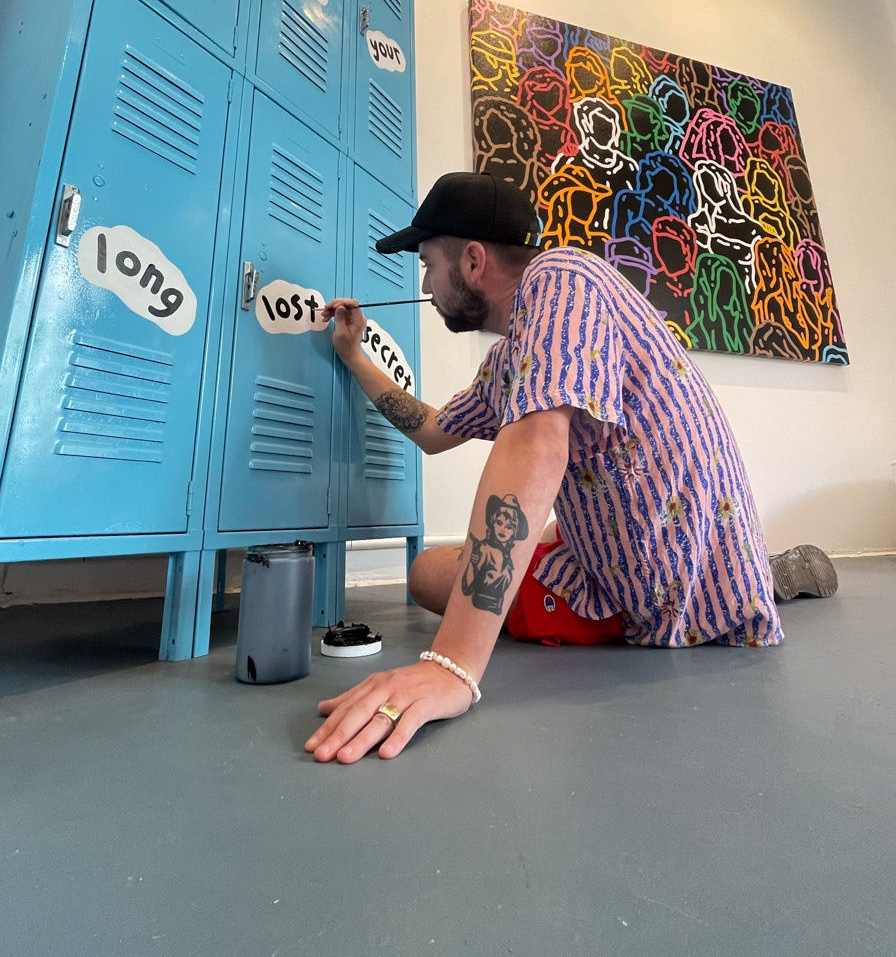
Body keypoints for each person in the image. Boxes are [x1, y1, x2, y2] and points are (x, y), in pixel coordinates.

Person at [304, 170, 798, 766]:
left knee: (450, 577)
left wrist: (452, 664)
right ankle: (752, 566)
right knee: (428, 571)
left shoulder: (561, 276)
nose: (428, 286)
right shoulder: (516, 350)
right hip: (617, 545)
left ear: (474, 262)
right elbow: (434, 432)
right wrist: (353, 355)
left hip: (670, 580)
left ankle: (758, 577)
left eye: (429, 264)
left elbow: (538, 440)